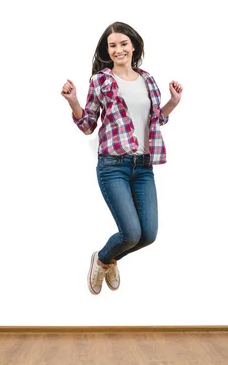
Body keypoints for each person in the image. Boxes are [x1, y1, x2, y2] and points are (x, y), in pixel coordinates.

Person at [60, 21, 183, 295]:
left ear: (134, 45)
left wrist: (173, 101)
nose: (118, 50)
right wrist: (73, 102)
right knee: (130, 233)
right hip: (112, 166)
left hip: (143, 167)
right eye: (112, 45)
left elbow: (155, 120)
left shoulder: (148, 79)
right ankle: (102, 259)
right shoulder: (100, 80)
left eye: (123, 44)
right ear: (107, 50)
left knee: (148, 235)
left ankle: (107, 259)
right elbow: (89, 124)